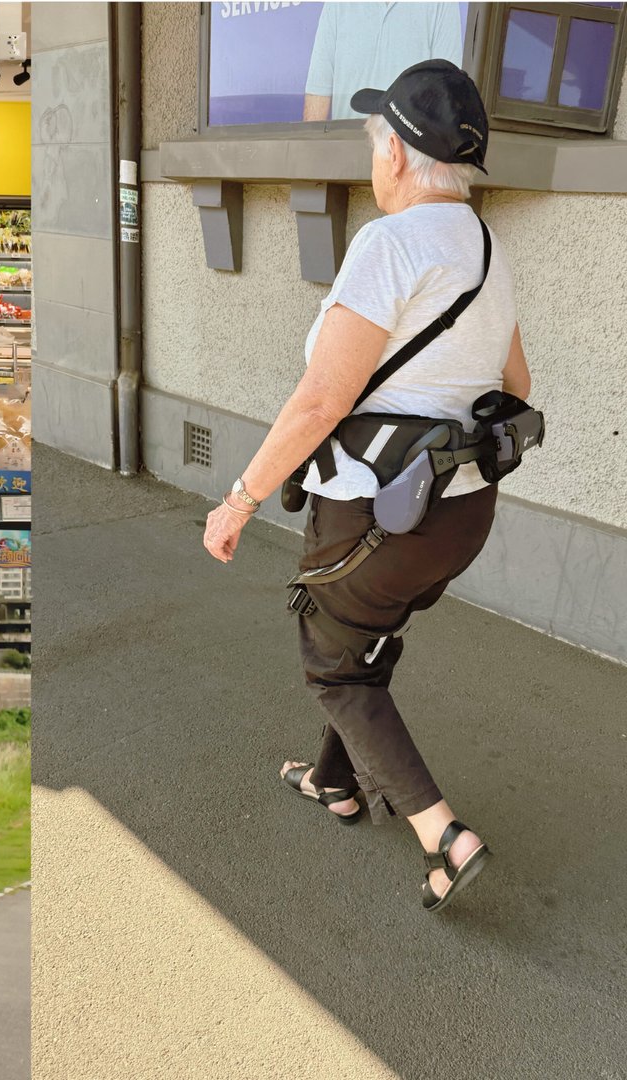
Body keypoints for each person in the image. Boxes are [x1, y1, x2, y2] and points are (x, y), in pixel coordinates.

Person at [203, 60, 526, 912]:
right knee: (360, 640)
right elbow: (515, 386)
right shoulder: (485, 248)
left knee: (334, 669)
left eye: (374, 142)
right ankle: (333, 782)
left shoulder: (390, 244)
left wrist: (238, 498)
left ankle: (443, 838)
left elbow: (319, 401)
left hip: (377, 516)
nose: (371, 159)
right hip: (460, 515)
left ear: (396, 155)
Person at [302, 3, 463, 121]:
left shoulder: (443, 5)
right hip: (346, 151)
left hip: (411, 157)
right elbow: (318, 97)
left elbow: (446, 98)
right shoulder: (336, 6)